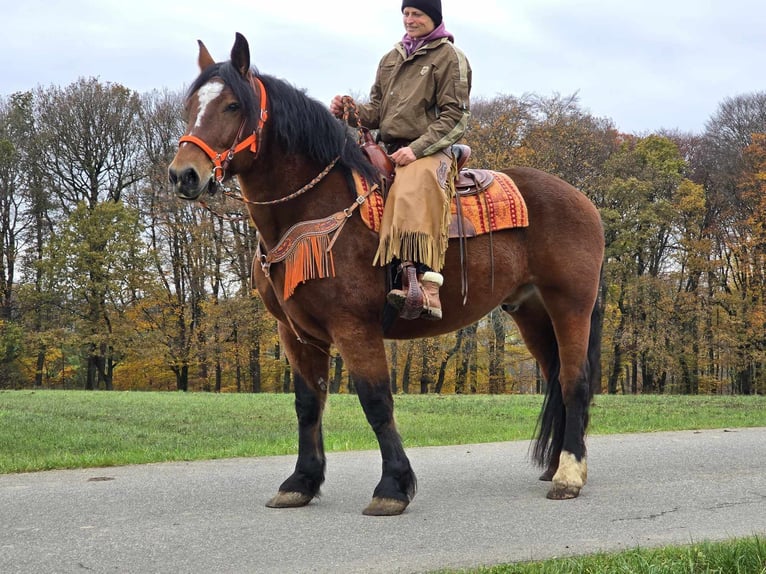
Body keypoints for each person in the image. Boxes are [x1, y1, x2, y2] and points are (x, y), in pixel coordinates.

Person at [331, 0, 472, 321]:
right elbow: (376, 112)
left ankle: (426, 283)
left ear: (433, 18)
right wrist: (350, 111)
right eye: (406, 14)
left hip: (430, 148)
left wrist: (418, 149)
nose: (409, 20)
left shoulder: (449, 57)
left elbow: (456, 116)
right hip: (389, 147)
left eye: (417, 14)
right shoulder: (392, 57)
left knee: (411, 185)